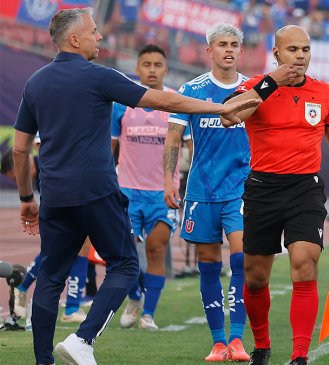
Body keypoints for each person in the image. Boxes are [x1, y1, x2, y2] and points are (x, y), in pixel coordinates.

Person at [12, 8, 260, 365]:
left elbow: (20, 149)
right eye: (94, 32)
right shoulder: (98, 77)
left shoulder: (35, 82)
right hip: (98, 192)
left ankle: (43, 361)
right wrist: (217, 109)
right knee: (126, 266)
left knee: (50, 277)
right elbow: (166, 100)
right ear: (74, 39)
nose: (100, 37)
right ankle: (83, 340)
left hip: (54, 195)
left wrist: (25, 197)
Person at [223, 25, 329, 365]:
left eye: (305, 49)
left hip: (305, 190)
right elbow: (228, 115)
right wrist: (272, 83)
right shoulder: (256, 87)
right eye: (293, 49)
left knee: (305, 265)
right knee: (255, 276)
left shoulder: (325, 94)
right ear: (277, 54)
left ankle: (299, 354)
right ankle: (263, 346)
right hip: (262, 190)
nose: (300, 56)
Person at [164, 23, 251, 362]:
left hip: (241, 190)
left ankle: (237, 338)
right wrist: (169, 180)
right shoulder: (191, 90)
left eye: (234, 44)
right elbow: (173, 139)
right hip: (201, 190)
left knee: (242, 258)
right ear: (209, 51)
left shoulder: (252, 89)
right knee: (209, 264)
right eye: (221, 44)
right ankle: (218, 342)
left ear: (240, 51)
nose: (228, 49)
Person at [111, 44, 193, 331]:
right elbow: (111, 147)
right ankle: (134, 296)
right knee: (125, 253)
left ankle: (149, 314)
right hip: (127, 192)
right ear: (137, 68)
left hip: (163, 193)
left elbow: (189, 146)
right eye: (146, 64)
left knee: (157, 249)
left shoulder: (175, 102)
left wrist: (186, 182)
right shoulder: (122, 103)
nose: (152, 70)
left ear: (166, 69)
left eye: (158, 64)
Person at [2, 151, 92, 323]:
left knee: (68, 248)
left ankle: (22, 287)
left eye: (16, 178)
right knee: (73, 247)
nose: (19, 183)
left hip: (75, 195)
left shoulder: (47, 161)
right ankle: (71, 307)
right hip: (67, 204)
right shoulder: (40, 171)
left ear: (20, 165)